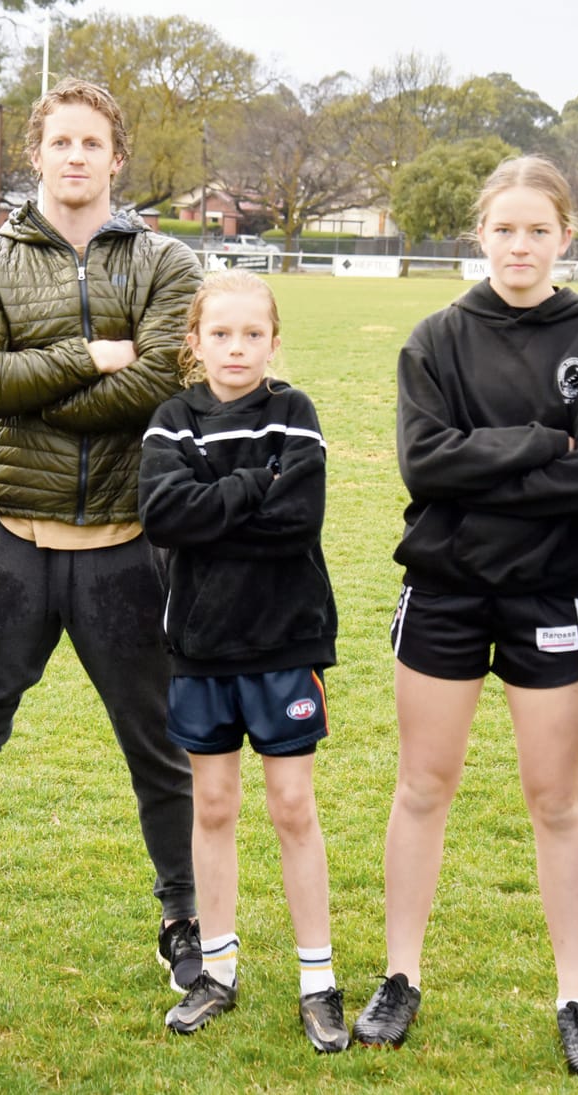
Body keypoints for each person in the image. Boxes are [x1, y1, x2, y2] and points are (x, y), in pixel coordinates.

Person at [0, 77, 204, 991]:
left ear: (117, 158)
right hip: (13, 538)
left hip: (130, 541)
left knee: (159, 740)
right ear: (34, 154)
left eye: (92, 143)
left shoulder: (166, 263)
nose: (75, 156)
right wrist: (89, 355)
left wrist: (34, 384)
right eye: (60, 141)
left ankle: (185, 916)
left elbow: (166, 378)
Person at [355, 156, 578, 1080]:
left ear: (565, 236)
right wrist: (541, 444)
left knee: (557, 799)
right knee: (423, 786)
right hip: (444, 586)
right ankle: (400, 974)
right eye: (505, 229)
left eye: (538, 230)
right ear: (481, 235)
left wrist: (488, 463)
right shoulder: (436, 338)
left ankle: (577, 995)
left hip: (550, 592)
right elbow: (423, 466)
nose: (521, 245)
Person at [137, 272, 348, 1053]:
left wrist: (215, 502)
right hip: (200, 644)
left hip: (284, 643)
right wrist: (253, 485)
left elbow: (298, 520)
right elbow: (162, 514)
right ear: (194, 341)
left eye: (251, 334)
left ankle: (317, 981)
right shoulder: (172, 418)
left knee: (293, 806)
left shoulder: (294, 413)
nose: (236, 347)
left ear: (273, 340)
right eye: (220, 334)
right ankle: (215, 970)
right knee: (214, 807)